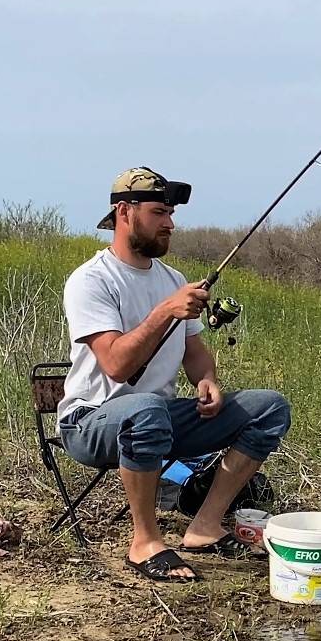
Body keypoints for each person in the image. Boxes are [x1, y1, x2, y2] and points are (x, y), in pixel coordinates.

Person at [57, 167, 291, 583]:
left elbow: (194, 352)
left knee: (268, 408)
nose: (170, 224)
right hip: (90, 421)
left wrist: (207, 380)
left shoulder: (173, 279)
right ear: (124, 212)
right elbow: (116, 365)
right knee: (145, 409)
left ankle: (204, 526)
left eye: (171, 214)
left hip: (159, 418)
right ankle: (144, 542)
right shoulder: (90, 280)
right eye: (159, 213)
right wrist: (165, 310)